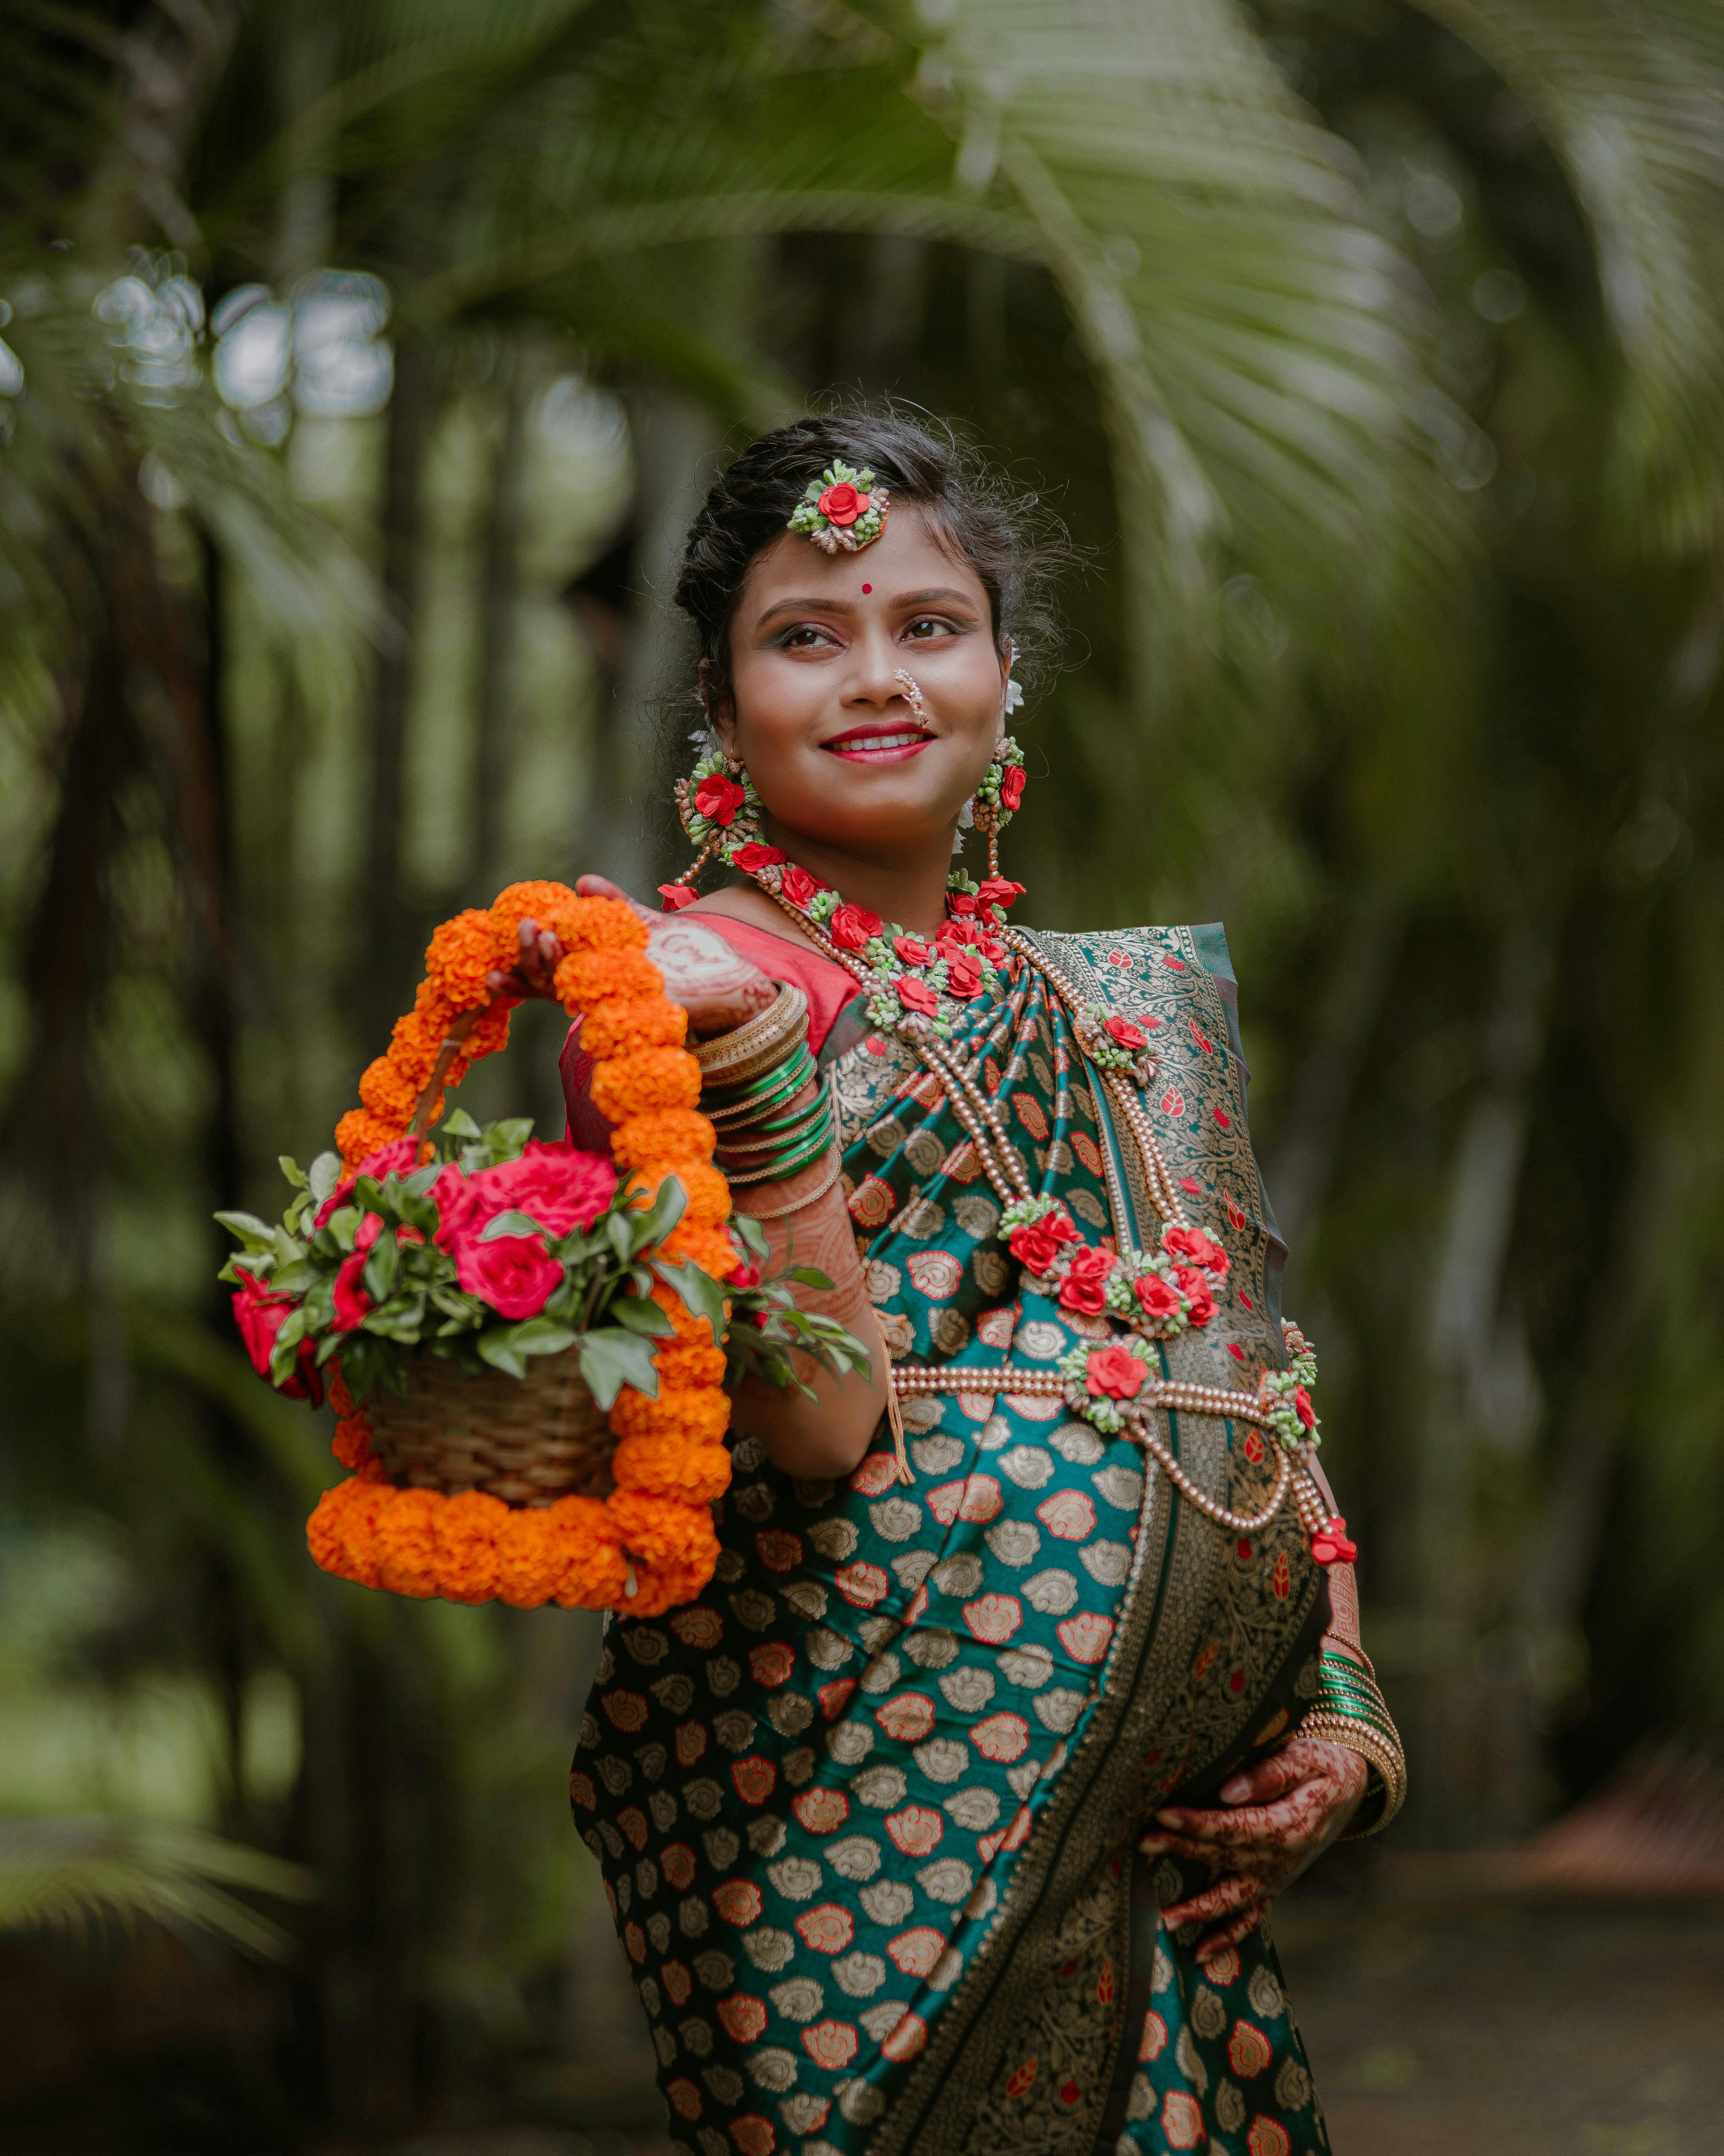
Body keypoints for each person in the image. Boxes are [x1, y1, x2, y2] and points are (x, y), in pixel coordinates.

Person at [496, 414, 1404, 2156]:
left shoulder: (1118, 1015)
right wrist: (754, 1067)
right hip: (839, 1840)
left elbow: (1247, 1375)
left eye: (927, 625)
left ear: (1003, 673)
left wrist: (1339, 1717)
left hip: (1155, 1863)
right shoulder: (668, 992)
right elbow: (825, 1424)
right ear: (719, 695)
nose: (873, 679)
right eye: (803, 636)